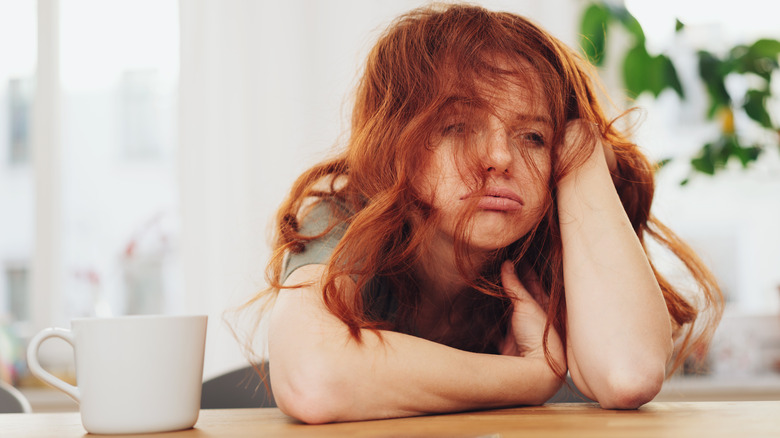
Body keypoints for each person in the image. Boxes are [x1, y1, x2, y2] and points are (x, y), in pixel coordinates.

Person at [242, 3, 723, 424]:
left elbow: (628, 373)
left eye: (533, 136)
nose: (500, 156)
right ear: (396, 144)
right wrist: (529, 377)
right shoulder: (345, 213)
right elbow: (314, 378)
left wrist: (581, 146)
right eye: (457, 126)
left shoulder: (552, 231)